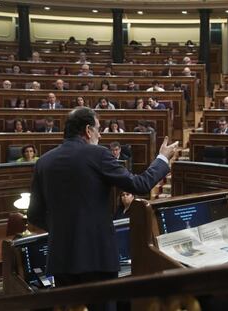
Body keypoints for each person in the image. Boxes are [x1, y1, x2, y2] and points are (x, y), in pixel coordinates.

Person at [28, 107, 178, 311]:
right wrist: (162, 159)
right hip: (97, 258)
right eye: (98, 129)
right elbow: (140, 185)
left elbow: (34, 216)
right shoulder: (98, 154)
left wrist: (62, 230)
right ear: (88, 130)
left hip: (60, 259)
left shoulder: (43, 162)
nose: (101, 134)